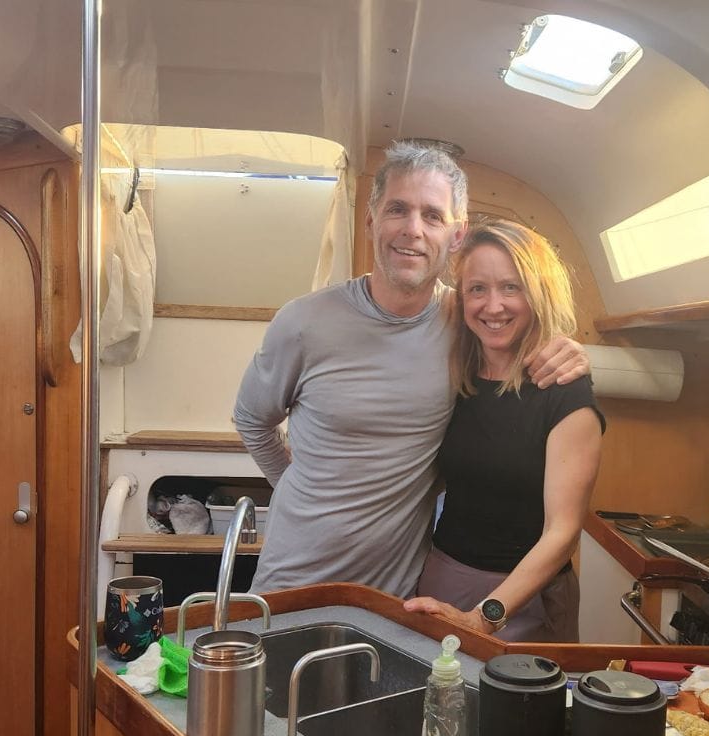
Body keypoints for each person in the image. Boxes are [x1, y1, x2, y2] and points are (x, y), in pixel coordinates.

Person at [233, 141, 588, 597]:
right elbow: (252, 419)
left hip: (397, 593)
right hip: (292, 580)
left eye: (432, 216)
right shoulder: (303, 322)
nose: (413, 230)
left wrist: (574, 351)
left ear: (456, 235)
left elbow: (527, 337)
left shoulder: (466, 322)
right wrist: (296, 491)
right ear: (371, 219)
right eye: (397, 209)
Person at [402, 218, 604, 641]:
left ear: (539, 294)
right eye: (478, 289)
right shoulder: (457, 373)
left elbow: (562, 532)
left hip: (525, 599)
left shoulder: (563, 388)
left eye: (511, 287)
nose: (493, 307)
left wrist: (487, 615)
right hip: (443, 578)